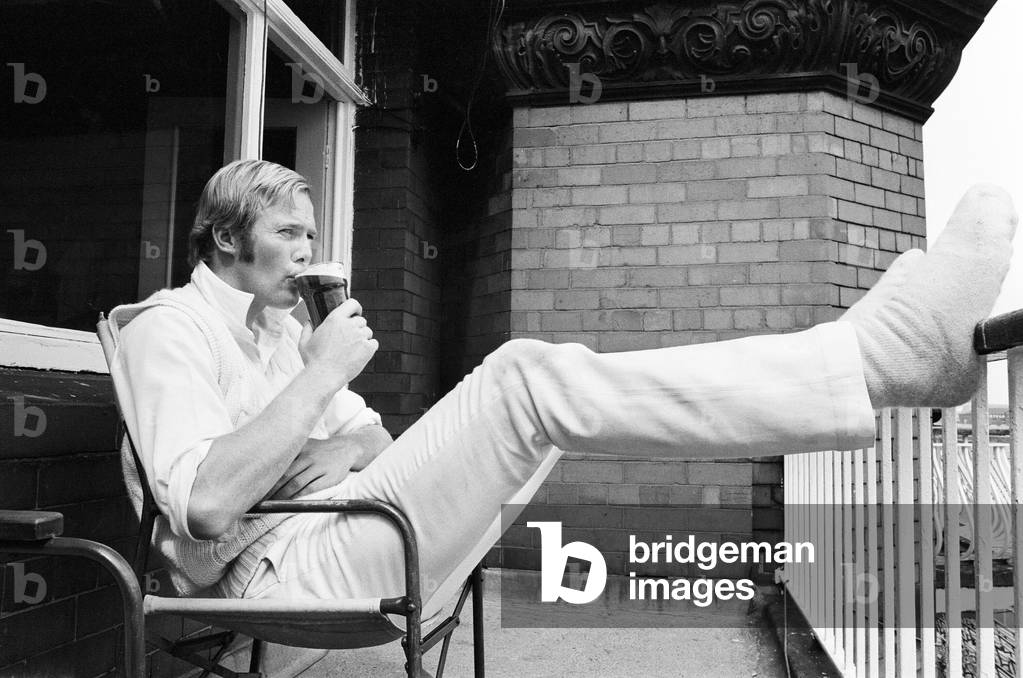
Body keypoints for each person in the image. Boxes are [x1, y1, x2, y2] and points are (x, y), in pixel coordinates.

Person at [108, 159, 1018, 619]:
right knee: (522, 382)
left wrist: (312, 422)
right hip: (272, 576)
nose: (309, 253)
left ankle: (870, 362)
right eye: (289, 236)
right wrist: (316, 388)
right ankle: (873, 361)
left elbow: (370, 449)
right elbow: (206, 505)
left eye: (312, 236)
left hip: (342, 526)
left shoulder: (279, 332)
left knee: (539, 399)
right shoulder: (167, 330)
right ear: (225, 239)